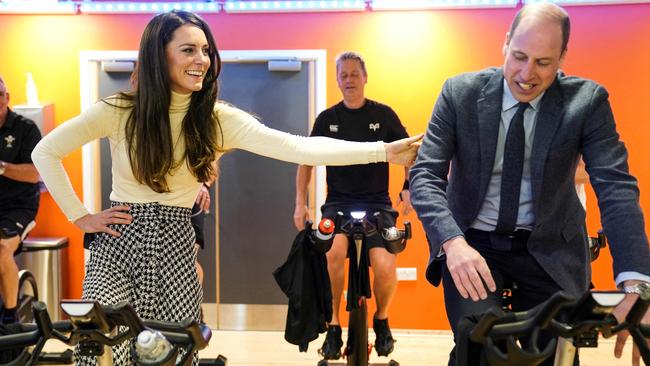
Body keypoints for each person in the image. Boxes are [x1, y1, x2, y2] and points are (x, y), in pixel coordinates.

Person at [31, 11, 420, 365]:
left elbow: (298, 146)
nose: (201, 59)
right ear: (158, 55)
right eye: (188, 50)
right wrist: (80, 216)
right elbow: (45, 152)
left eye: (205, 50)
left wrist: (383, 151)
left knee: (173, 353)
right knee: (99, 345)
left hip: (175, 238)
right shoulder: (119, 110)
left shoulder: (217, 119)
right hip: (117, 239)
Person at [408, 4, 650, 365]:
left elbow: (615, 187)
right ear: (505, 44)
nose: (526, 74)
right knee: (480, 346)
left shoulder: (587, 102)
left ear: (563, 56)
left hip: (550, 248)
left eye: (543, 62)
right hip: (473, 245)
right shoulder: (459, 94)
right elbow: (425, 175)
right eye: (519, 56)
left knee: (557, 354)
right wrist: (452, 242)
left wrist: (637, 286)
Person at [293, 51, 411, 359]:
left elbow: (410, 151)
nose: (349, 80)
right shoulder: (327, 119)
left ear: (365, 77)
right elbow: (306, 161)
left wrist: (409, 189)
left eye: (354, 74)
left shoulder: (384, 115)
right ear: (337, 80)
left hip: (378, 205)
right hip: (338, 204)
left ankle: (382, 319)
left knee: (385, 265)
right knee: (331, 254)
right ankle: (333, 325)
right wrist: (299, 204)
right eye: (343, 75)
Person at [0, 76, 41, 325]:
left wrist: (2, 167)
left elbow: (35, 173)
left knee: (2, 248)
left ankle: (10, 315)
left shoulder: (25, 129)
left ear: (7, 97)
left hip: (18, 207)